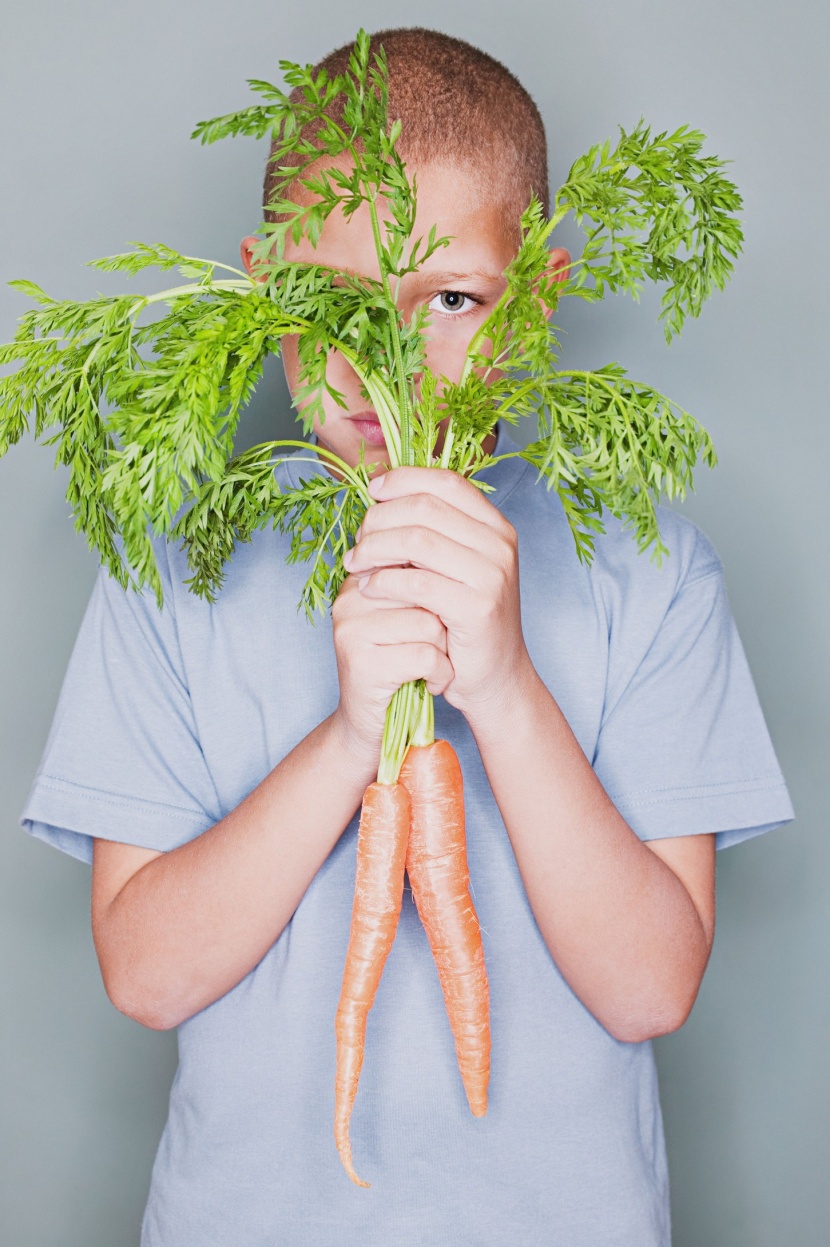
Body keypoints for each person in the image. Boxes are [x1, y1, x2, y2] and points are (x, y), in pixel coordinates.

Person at [21, 26, 793, 1247]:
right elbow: (146, 974)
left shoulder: (649, 573)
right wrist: (344, 738)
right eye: (332, 305)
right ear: (258, 285)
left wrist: (502, 683)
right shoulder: (169, 573)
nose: (389, 359)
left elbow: (649, 987)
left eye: (448, 299)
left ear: (534, 297)